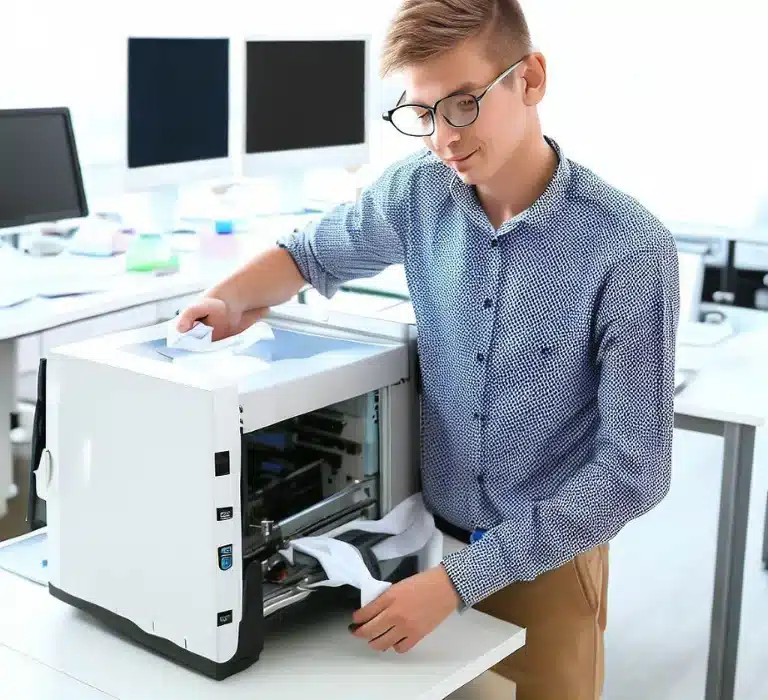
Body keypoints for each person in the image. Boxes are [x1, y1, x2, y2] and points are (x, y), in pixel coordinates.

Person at [177, 1, 680, 697]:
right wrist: (227, 298)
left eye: (464, 104)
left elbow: (635, 470)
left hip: (543, 566)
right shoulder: (417, 191)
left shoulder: (629, 248)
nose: (443, 137)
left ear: (529, 79)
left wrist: (458, 584)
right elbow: (310, 253)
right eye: (423, 113)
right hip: (419, 547)